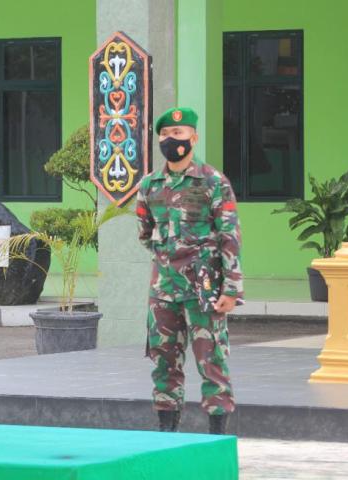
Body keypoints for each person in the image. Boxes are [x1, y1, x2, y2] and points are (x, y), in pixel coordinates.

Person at [135, 107, 243, 435]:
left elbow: (229, 234)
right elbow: (145, 232)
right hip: (164, 290)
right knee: (164, 363)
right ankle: (166, 432)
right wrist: (170, 262)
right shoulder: (150, 185)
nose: (171, 140)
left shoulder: (213, 182)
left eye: (178, 134)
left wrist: (231, 287)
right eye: (165, 135)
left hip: (204, 289)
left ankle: (217, 435)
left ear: (193, 138)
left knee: (212, 363)